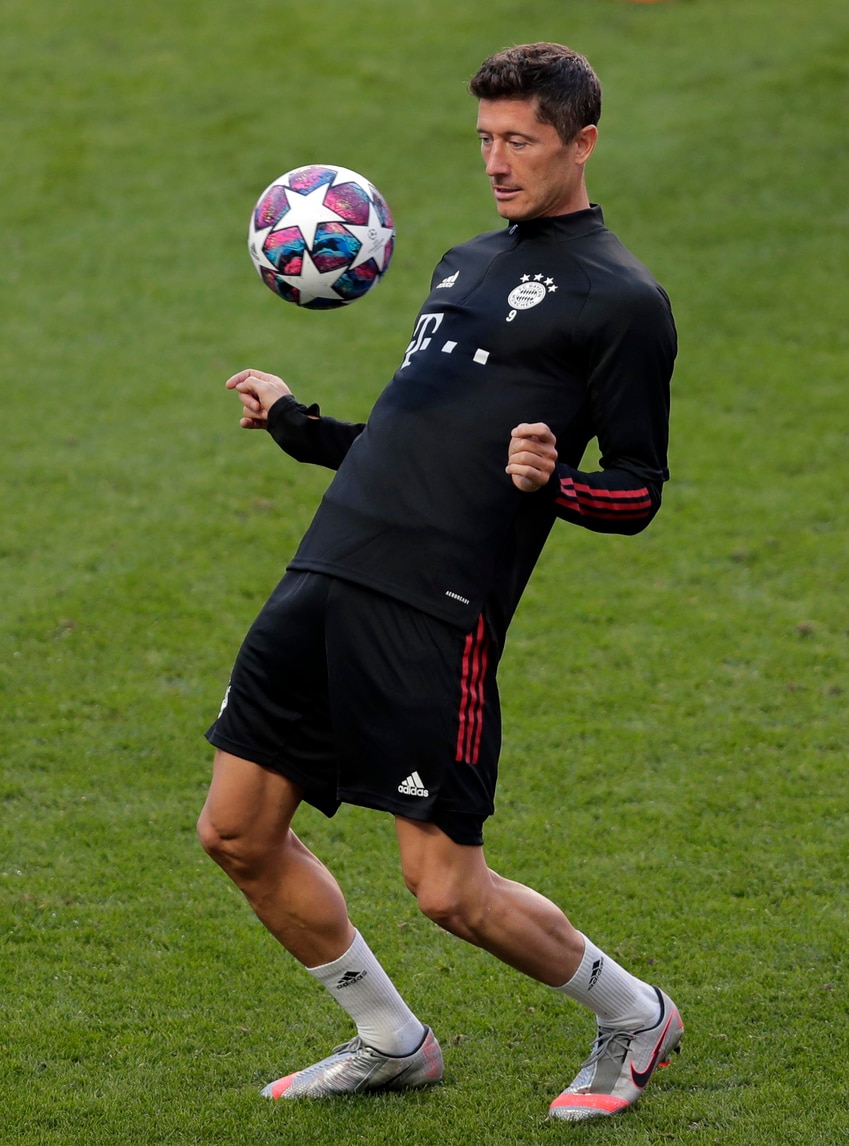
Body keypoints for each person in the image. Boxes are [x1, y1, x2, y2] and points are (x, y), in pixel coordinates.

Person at [198, 42, 681, 1122]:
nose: (496, 162)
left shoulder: (623, 300)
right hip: (327, 568)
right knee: (235, 831)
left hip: (435, 608)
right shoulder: (463, 262)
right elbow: (411, 441)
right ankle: (390, 1039)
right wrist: (296, 423)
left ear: (581, 141)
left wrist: (556, 483)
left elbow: (638, 493)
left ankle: (636, 1015)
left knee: (447, 889)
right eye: (485, 140)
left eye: (521, 141)